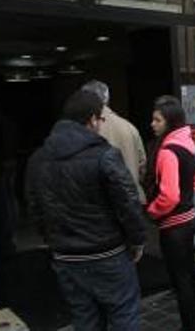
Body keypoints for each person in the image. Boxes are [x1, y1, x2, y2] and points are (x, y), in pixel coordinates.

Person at [25, 90, 146, 331]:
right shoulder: (104, 156)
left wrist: (53, 241)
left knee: (84, 319)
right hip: (108, 253)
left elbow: (34, 207)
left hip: (66, 257)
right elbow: (128, 202)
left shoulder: (37, 159)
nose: (101, 125)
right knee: (124, 314)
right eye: (101, 119)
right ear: (91, 119)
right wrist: (137, 241)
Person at [147, 96, 195, 331]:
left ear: (169, 122)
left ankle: (190, 327)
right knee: (190, 275)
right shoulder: (187, 142)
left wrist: (151, 210)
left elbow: (169, 196)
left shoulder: (167, 151)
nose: (152, 124)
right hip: (189, 219)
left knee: (181, 281)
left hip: (174, 225)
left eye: (157, 120)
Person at [82, 80, 148, 203]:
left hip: (103, 206)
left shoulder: (85, 128)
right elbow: (142, 166)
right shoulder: (129, 127)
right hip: (133, 201)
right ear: (107, 99)